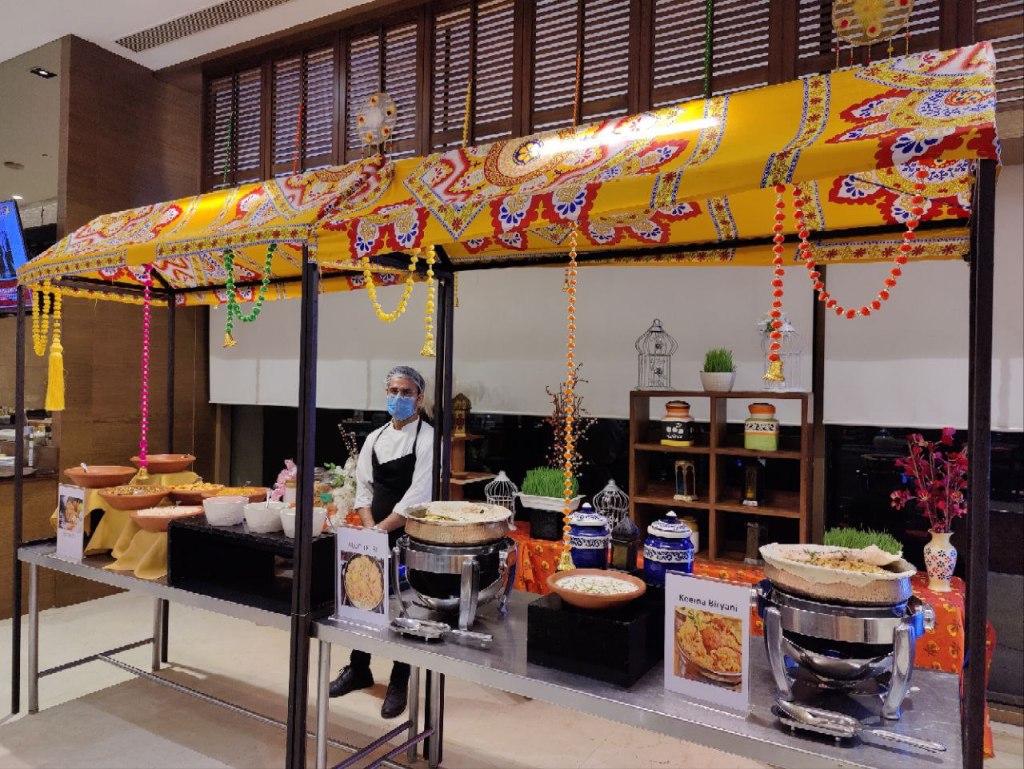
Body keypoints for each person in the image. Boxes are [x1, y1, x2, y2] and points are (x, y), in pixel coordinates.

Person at [329, 365, 434, 718]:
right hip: (374, 532)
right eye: (393, 391)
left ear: (419, 398)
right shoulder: (374, 438)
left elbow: (419, 494)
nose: (398, 398)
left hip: (411, 534)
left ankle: (399, 681)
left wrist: (383, 529)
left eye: (406, 392)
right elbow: (364, 489)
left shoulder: (428, 438)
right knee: (364, 598)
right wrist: (371, 529)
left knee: (407, 607)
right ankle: (359, 668)